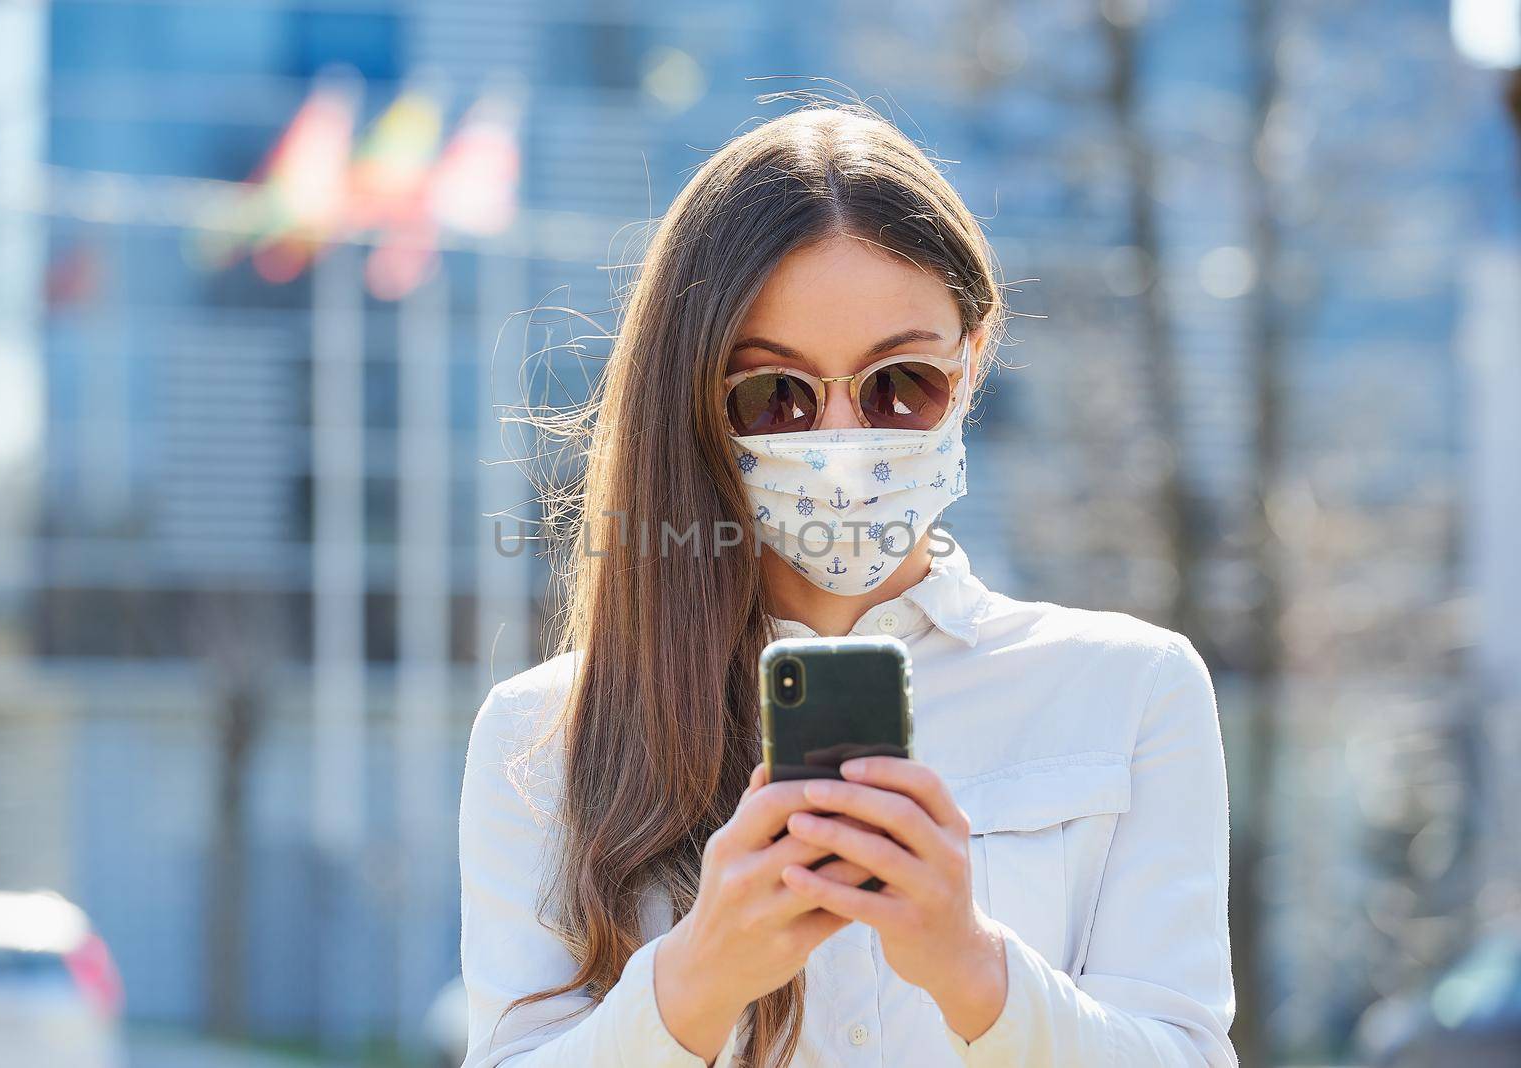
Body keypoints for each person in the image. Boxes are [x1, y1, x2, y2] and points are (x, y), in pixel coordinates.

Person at [457, 102, 1237, 1067]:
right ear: (697, 403)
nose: (843, 441)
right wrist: (697, 974)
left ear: (973, 359)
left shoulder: (1133, 690)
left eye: (899, 384)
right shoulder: (545, 737)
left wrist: (972, 968)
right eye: (774, 395)